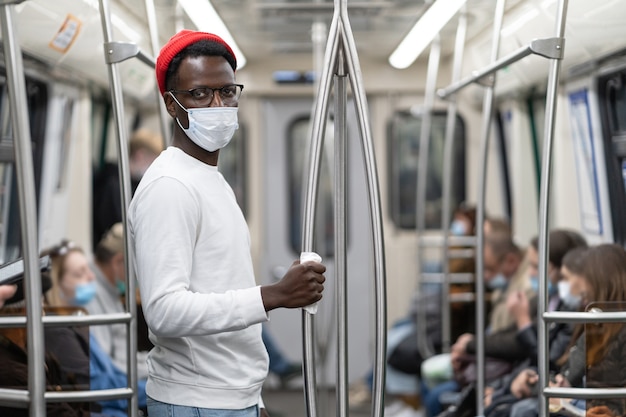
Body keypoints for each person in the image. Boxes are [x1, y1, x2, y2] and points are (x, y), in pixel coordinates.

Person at [128, 30, 326, 417]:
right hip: (198, 401)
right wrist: (274, 295)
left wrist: (253, 399)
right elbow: (165, 311)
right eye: (200, 94)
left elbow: (220, 285)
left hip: (229, 397)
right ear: (172, 105)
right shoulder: (171, 186)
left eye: (227, 92)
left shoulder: (208, 177)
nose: (218, 104)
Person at [43, 240, 148, 416]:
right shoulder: (57, 332)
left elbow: (112, 374)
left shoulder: (76, 322)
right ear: (56, 284)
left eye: (88, 269)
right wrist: (153, 391)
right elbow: (98, 385)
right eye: (79, 273)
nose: (91, 277)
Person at [86, 222, 150, 381]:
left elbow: (125, 355)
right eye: (137, 270)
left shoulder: (109, 290)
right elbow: (109, 364)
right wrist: (157, 369)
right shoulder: (91, 294)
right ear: (118, 262)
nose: (137, 278)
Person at [92, 128, 164, 250]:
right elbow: (118, 231)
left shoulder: (132, 185)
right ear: (140, 156)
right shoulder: (113, 186)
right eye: (154, 162)